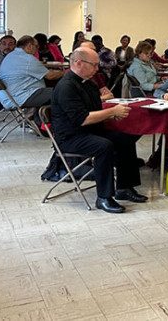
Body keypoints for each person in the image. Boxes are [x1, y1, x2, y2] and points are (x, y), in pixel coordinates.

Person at [51, 47, 148, 213]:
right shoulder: (66, 86)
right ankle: (104, 197)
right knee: (104, 146)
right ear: (79, 63)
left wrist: (112, 116)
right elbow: (82, 119)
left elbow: (94, 110)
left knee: (126, 138)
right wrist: (111, 112)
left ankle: (124, 187)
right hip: (70, 137)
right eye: (94, 65)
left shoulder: (87, 82)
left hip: (89, 130)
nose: (97, 69)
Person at [0, 35, 64, 110]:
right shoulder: (28, 59)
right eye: (36, 46)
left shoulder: (11, 56)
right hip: (21, 96)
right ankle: (51, 118)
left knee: (55, 90)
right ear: (29, 46)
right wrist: (65, 73)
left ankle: (39, 117)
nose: (37, 50)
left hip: (9, 96)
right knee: (64, 92)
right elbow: (50, 76)